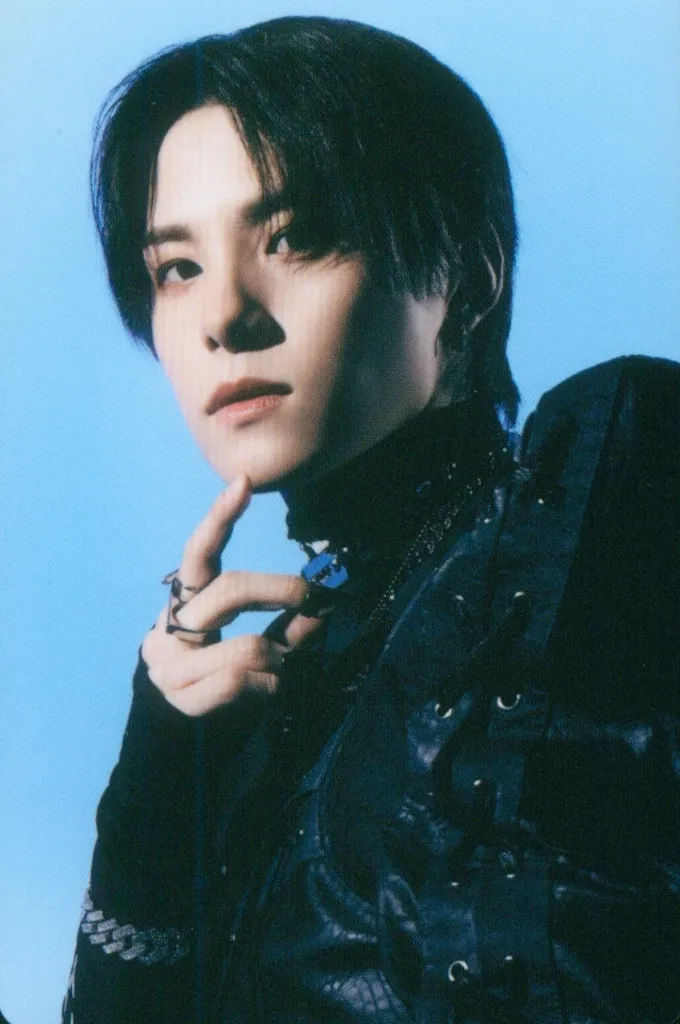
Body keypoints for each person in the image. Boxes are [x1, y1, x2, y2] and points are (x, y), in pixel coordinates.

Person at [62, 16, 680, 1024]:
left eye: (291, 237)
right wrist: (155, 802)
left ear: (468, 279)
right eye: (177, 267)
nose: (223, 316)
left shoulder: (593, 511)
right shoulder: (293, 681)